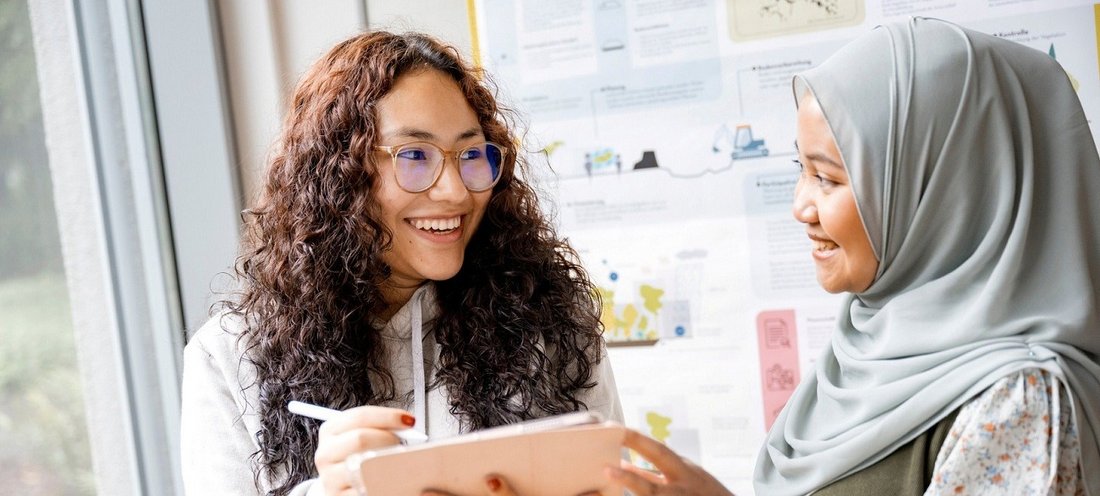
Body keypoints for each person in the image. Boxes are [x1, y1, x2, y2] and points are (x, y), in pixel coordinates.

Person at [604, 16, 1100, 495]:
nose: (801, 206)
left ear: (948, 192)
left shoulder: (1021, 399)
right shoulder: (866, 352)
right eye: (802, 168)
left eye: (829, 178)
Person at [180, 31, 623, 496]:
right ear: (339, 173)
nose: (455, 190)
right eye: (414, 155)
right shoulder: (230, 359)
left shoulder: (549, 316)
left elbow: (619, 486)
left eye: (471, 154)